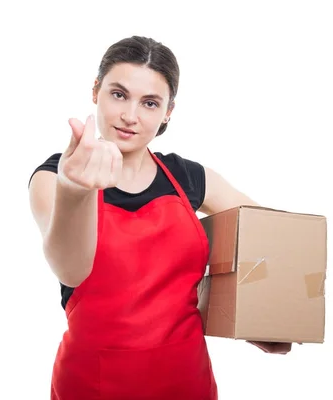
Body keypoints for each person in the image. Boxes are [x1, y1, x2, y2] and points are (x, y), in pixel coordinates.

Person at [28, 36, 292, 400]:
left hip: (186, 381)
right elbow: (70, 268)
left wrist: (261, 315)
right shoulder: (55, 176)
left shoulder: (189, 179)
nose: (130, 116)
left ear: (168, 111)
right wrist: (76, 190)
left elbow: (278, 236)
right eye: (118, 94)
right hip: (93, 384)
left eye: (150, 103)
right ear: (96, 91)